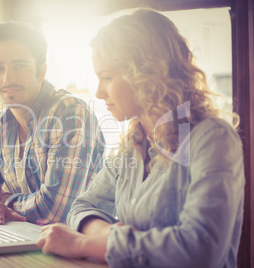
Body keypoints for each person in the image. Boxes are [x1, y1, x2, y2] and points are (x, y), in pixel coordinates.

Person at [36, 9, 245, 268]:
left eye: (107, 77)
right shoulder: (130, 147)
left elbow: (200, 248)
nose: (99, 92)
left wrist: (86, 244)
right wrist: (108, 235)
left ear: (147, 74)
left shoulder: (213, 139)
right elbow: (82, 206)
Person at [0, 21, 105, 226]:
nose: (7, 78)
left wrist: (1, 198)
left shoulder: (70, 113)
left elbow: (53, 212)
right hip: (25, 238)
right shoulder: (0, 124)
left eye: (19, 65)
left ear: (41, 71)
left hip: (80, 247)